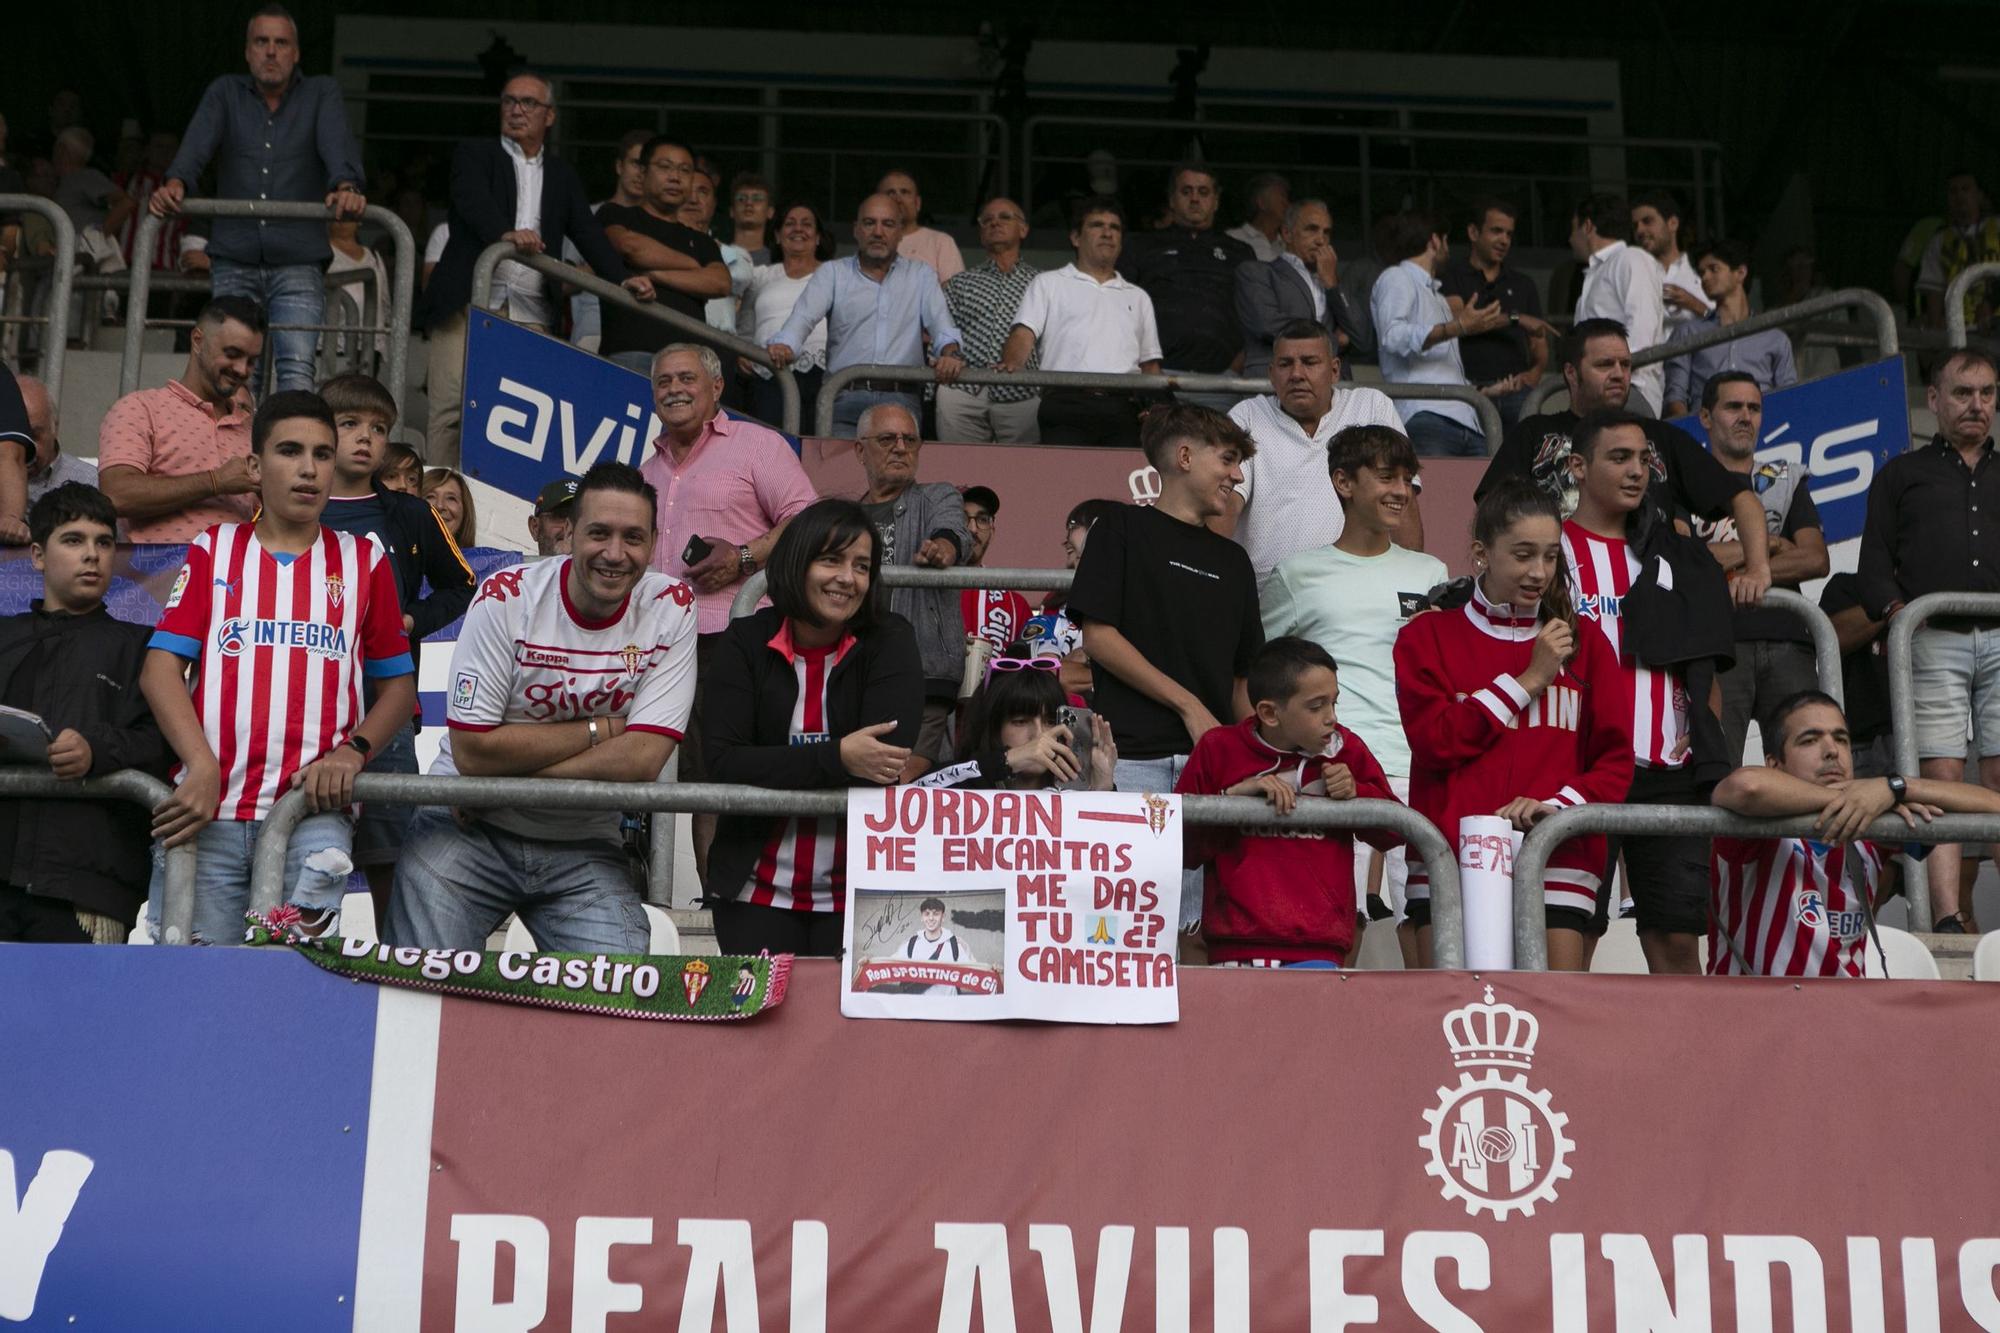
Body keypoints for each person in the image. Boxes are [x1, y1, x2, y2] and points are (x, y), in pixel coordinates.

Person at [383, 462, 697, 953]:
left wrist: (501, 787)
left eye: (633, 537)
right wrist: (603, 728)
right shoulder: (507, 595)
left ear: (655, 540)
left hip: (578, 839)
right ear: (569, 534)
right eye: (598, 533)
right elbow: (472, 753)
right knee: (420, 998)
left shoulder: (672, 605)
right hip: (466, 828)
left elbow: (642, 758)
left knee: (612, 1004)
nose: (615, 554)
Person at [142, 391, 416, 944]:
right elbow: (159, 669)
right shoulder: (214, 548)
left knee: (291, 990)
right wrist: (200, 765)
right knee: (196, 993)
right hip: (208, 812)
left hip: (311, 815)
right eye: (290, 451)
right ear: (255, 465)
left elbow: (398, 687)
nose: (310, 469)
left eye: (322, 453)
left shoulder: (364, 560)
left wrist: (353, 751)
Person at [1395, 477, 1634, 970]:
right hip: (1448, 859)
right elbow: (1436, 742)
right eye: (1523, 554)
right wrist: (1530, 679)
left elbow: (1614, 763)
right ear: (1482, 552)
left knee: (1551, 1032)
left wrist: (1556, 809)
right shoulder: (1428, 636)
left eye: (1550, 556)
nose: (1539, 572)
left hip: (1560, 860)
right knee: (1448, 1033)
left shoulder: (1586, 643)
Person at [1067, 405, 1263, 954]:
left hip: (1214, 771)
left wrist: (1257, 757)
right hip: (1127, 764)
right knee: (1116, 940)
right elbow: (1099, 638)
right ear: (1183, 457)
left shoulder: (1234, 561)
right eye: (1228, 459)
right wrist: (1188, 707)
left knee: (1199, 938)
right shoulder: (1121, 528)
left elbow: (1242, 681)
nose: (1238, 475)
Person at [701, 497, 924, 956]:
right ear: (796, 563)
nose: (848, 577)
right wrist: (837, 755)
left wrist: (775, 762)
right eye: (831, 560)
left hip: (863, 897)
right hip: (753, 892)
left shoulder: (891, 639)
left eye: (862, 566)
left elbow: (883, 758)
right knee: (763, 1026)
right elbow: (723, 759)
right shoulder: (745, 642)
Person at [1562, 411, 1740, 974]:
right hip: (1581, 766)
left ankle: (1688, 1062)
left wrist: (1701, 739)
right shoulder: (1550, 552)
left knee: (1678, 944)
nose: (1637, 471)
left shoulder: (1676, 554)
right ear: (1578, 467)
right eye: (1619, 458)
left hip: (1669, 770)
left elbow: (1703, 664)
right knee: (1570, 939)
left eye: (1644, 459)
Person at [642, 342, 818, 877]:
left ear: (717, 387)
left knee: (760, 772)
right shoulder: (647, 469)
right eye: (663, 381)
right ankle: (720, 905)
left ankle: (776, 894)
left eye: (686, 379)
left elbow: (808, 517)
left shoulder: (755, 445)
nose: (674, 389)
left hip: (747, 638)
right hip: (673, 647)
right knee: (701, 780)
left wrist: (743, 558)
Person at [1261, 424, 1447, 928]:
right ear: (1344, 483)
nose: (1400, 491)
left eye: (1407, 479)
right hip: (1331, 775)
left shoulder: (1431, 573)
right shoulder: (1296, 574)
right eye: (1387, 477)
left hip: (1417, 772)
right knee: (1342, 930)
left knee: (1428, 933)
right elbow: (1260, 682)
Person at [418, 73, 651, 464]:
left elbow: (587, 230)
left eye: (528, 103)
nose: (516, 110)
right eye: (509, 101)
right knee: (451, 410)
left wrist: (623, 277)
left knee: (517, 423)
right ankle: (435, 512)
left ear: (550, 116)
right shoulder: (475, 154)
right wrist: (504, 234)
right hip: (467, 305)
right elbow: (471, 199)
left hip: (531, 313)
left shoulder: (562, 174)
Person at [318, 373, 476, 919]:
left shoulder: (412, 513)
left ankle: (398, 972)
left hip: (386, 707)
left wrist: (410, 619)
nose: (366, 437)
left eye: (379, 428)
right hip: (305, 712)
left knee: (394, 855)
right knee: (307, 857)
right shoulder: (292, 509)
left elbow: (463, 586)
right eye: (350, 424)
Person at [1856, 348, 2000, 933]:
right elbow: (1873, 565)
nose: (1977, 405)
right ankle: (1945, 915)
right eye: (1963, 393)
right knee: (1938, 779)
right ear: (1934, 400)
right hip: (1931, 638)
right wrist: (1898, 616)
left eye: (1988, 393)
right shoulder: (1901, 474)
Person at [1707, 691, 2000, 977]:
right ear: (1774, 764)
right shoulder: (1758, 824)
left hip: (1846, 1015)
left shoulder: (1874, 822)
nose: (1831, 750)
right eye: (1810, 740)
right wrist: (1849, 797)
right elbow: (1746, 786)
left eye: (1841, 738)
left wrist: (1895, 787)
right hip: (1754, 1017)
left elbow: (1993, 806)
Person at [1476, 320, 1778, 596]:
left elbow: (1743, 500)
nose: (1619, 374)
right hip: (1557, 593)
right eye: (1605, 364)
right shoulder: (1534, 432)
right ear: (1571, 372)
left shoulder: (1662, 436)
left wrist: (1758, 569)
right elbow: (1493, 509)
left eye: (1625, 364)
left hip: (1649, 599)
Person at [151, 5, 366, 393]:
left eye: (281, 42)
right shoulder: (225, 91)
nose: (271, 51)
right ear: (247, 51)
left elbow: (337, 145)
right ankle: (239, 454)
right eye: (261, 42)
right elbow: (197, 144)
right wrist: (177, 181)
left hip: (298, 259)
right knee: (233, 374)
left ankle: (286, 454)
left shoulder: (321, 92)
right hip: (235, 255)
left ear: (296, 53)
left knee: (297, 370)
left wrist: (346, 185)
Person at [0, 484, 168, 943]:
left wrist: (97, 748)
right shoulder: (4, 636)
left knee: (71, 1016)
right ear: (37, 555)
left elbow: (165, 743)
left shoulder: (144, 646)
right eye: (73, 540)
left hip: (88, 885)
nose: (92, 555)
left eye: (104, 542)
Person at [1175, 636, 1402, 968]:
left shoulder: (1348, 749)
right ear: (1269, 712)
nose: (1330, 717)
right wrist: (1233, 800)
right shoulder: (1218, 749)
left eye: (1334, 703)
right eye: (1316, 706)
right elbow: (1180, 848)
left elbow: (1397, 831)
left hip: (1320, 948)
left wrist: (1357, 793)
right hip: (1235, 949)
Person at [1692, 372, 1827, 763]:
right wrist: (1766, 543)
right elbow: (1690, 561)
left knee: (1804, 768)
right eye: (1733, 406)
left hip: (1789, 641)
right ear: (1705, 416)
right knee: (1719, 769)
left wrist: (1732, 557)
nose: (1745, 417)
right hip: (1716, 645)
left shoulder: (1784, 479)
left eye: (1754, 408)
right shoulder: (1684, 481)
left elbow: (1815, 559)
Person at [767, 193, 965, 438]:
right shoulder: (833, 273)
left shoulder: (920, 274)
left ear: (900, 232)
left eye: (888, 224)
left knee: (895, 475)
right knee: (841, 476)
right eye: (870, 223)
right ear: (856, 229)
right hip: (844, 398)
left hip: (901, 400)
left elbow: (941, 324)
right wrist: (786, 344)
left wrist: (950, 353)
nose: (878, 232)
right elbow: (802, 319)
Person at [1226, 320, 1411, 580]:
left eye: (1310, 362)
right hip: (1266, 594)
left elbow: (1402, 499)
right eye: (1285, 364)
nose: (1297, 374)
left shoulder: (1371, 407)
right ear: (1271, 373)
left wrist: (1412, 588)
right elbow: (1224, 504)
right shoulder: (1248, 416)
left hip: (1359, 585)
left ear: (1335, 370)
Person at [851, 403, 969, 773]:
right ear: (859, 450)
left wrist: (943, 549)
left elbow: (954, 531)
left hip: (922, 674)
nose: (901, 447)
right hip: (853, 672)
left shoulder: (937, 496)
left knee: (904, 784)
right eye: (887, 439)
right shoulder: (845, 516)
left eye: (910, 439)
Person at [97, 295, 265, 544]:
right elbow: (115, 495)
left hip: (239, 578)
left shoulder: (256, 430)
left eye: (251, 361)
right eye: (232, 354)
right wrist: (215, 481)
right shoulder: (141, 408)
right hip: (160, 578)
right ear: (198, 341)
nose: (242, 369)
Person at [1001, 195, 1162, 447]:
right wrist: (1010, 363)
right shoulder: (1048, 283)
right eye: (1097, 225)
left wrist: (1154, 407)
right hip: (1064, 403)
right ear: (1076, 238)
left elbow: (1150, 366)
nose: (1107, 232)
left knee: (1116, 484)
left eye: (1115, 227)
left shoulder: (1138, 296)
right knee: (1064, 483)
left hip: (1123, 408)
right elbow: (1023, 335)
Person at [1117, 164, 1254, 412]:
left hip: (1221, 380)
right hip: (1156, 377)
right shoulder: (1141, 245)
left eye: (1203, 192)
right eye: (1186, 191)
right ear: (1171, 198)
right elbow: (1120, 308)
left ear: (1216, 201)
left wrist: (1236, 366)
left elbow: (1255, 314)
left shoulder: (1240, 252)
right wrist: (1145, 366)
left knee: (1216, 451)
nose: (1194, 199)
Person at [1369, 209, 1499, 457]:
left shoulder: (1437, 296)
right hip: (1426, 415)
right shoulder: (1396, 276)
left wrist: (1484, 391)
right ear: (1434, 240)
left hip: (1467, 417)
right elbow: (1393, 336)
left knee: (1483, 495)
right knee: (1435, 495)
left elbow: (1442, 369)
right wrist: (1458, 327)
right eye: (1446, 239)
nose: (1447, 247)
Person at [597, 136, 730, 377]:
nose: (675, 177)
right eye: (665, 167)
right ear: (644, 172)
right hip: (630, 353)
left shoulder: (702, 240)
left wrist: (653, 274)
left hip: (688, 364)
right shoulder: (616, 214)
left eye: (684, 170)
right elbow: (630, 247)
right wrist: (692, 265)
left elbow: (720, 283)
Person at [916, 654, 1117, 791]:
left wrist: (1102, 789)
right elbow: (911, 794)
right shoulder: (969, 780)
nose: (1039, 734)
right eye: (1020, 721)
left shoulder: (1076, 796)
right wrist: (1003, 762)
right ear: (992, 727)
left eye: (1050, 721)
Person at [1438, 197, 1552, 431]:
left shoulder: (1523, 284)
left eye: (1509, 234)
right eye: (1496, 231)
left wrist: (1533, 376)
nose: (1504, 240)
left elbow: (1539, 338)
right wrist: (1516, 319)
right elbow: (1462, 323)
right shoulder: (1451, 276)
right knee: (1471, 467)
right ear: (1473, 232)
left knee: (1522, 463)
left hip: (1516, 393)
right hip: (1467, 392)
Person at [938, 197, 1041, 443]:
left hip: (1024, 390)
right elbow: (943, 327)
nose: (995, 223)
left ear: (1024, 229)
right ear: (981, 233)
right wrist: (949, 353)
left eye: (1005, 217)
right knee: (960, 471)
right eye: (987, 220)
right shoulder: (960, 282)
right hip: (963, 387)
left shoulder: (1043, 282)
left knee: (1024, 473)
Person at [1661, 240, 1799, 417]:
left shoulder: (1774, 338)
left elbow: (1789, 398)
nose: (1705, 277)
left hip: (1763, 432)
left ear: (1740, 273)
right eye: (1702, 272)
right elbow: (1675, 396)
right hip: (1706, 433)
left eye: (1713, 269)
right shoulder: (1688, 333)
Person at [1234, 198, 1370, 377]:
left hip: (1330, 389)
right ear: (1287, 233)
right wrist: (1332, 340)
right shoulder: (1257, 273)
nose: (1321, 240)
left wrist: (1332, 284)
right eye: (1312, 229)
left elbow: (1362, 339)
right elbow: (1267, 324)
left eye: (1326, 232)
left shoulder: (1331, 280)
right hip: (1276, 384)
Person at [737, 201, 832, 434]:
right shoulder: (762, 276)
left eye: (807, 224)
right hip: (768, 374)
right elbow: (746, 328)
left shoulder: (835, 274)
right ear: (778, 236)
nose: (798, 229)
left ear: (818, 237)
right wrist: (742, 353)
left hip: (821, 375)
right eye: (790, 224)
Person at [1570, 193, 1668, 415]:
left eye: (1572, 229)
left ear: (1587, 226)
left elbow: (1642, 329)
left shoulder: (1631, 258)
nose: (1570, 239)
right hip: (1594, 398)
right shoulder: (1594, 275)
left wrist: (1612, 375)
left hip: (1629, 392)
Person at [1022, 497, 1120, 697]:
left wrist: (1083, 661)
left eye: (1088, 552)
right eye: (1071, 551)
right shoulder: (1052, 614)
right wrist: (1119, 672)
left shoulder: (1147, 609)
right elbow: (1046, 675)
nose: (1074, 563)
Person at [1916, 169, 2000, 333]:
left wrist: (1991, 302)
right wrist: (1935, 326)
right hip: (1960, 330)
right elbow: (1934, 290)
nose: (1959, 196)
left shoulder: (1997, 228)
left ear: (1980, 195)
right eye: (1953, 191)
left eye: (1965, 189)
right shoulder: (1939, 241)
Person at [679, 162, 754, 336]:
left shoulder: (733, 252)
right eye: (687, 191)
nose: (693, 199)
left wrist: (707, 245)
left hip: (720, 345)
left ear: (714, 205)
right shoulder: (657, 244)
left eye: (702, 192)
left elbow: (741, 277)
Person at [958, 485, 1032, 653]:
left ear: (992, 532)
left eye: (982, 519)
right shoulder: (923, 591)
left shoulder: (1015, 605)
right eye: (962, 518)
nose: (972, 528)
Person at [1630, 192, 1712, 330]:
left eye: (1647, 221)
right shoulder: (1633, 274)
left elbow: (1726, 323)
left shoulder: (1701, 269)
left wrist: (1692, 303)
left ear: (1673, 223)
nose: (1640, 230)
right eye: (1635, 226)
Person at [16, 375, 91, 514]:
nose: (23, 448)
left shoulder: (91, 484)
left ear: (54, 428)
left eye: (33, 436)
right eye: (11, 437)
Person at [879, 169, 963, 283]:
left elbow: (954, 293)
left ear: (917, 203)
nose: (898, 199)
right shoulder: (872, 241)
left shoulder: (941, 242)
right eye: (890, 193)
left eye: (904, 192)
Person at [1225, 173, 1290, 264]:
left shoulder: (1288, 244)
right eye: (1281, 197)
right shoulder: (1232, 238)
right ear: (1262, 203)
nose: (1286, 204)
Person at [421, 467, 476, 547]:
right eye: (430, 496)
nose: (439, 506)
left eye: (451, 498)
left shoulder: (480, 559)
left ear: (465, 512)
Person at [728, 171, 774, 264]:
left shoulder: (779, 262)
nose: (749, 203)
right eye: (741, 199)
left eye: (757, 199)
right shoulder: (717, 257)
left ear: (770, 212)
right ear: (731, 211)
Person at [527, 477, 576, 557]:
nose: (570, 527)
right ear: (535, 527)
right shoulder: (509, 568)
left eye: (580, 518)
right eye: (561, 515)